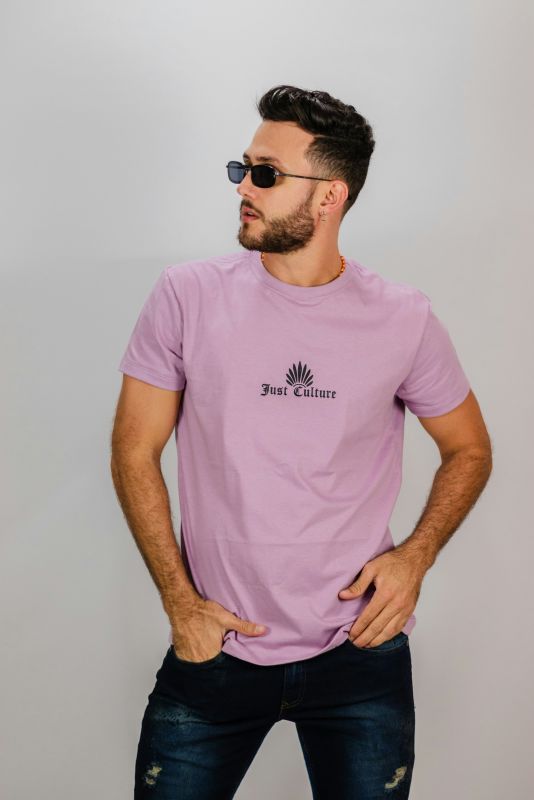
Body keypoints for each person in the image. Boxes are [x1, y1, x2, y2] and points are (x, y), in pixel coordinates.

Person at [111, 84, 492, 799]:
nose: (243, 188)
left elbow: (469, 448)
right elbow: (134, 450)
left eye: (266, 174)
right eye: (243, 168)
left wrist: (415, 557)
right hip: (215, 648)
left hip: (360, 653)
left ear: (330, 197)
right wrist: (180, 603)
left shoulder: (404, 318)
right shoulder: (186, 295)